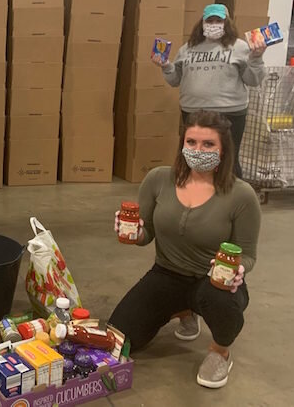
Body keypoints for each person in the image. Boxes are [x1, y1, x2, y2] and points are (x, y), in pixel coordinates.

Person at [108, 111, 261, 389]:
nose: (198, 150)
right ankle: (184, 311)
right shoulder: (158, 180)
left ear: (223, 149)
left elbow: (248, 254)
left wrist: (239, 270)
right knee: (118, 337)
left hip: (213, 281)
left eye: (208, 144)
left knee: (220, 300)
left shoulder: (241, 195)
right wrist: (130, 232)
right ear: (182, 144)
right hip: (166, 274)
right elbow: (146, 235)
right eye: (191, 142)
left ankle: (220, 352)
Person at [152, 3, 266, 178]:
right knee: (192, 159)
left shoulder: (240, 47)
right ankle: (193, 195)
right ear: (202, 23)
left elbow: (253, 80)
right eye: (210, 20)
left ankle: (232, 200)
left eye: (218, 20)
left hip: (230, 113)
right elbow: (175, 80)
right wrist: (166, 66)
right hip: (192, 112)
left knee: (228, 160)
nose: (214, 24)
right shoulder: (187, 48)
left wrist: (256, 58)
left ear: (227, 22)